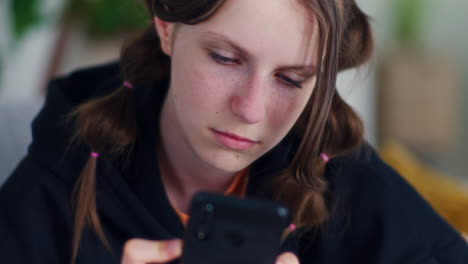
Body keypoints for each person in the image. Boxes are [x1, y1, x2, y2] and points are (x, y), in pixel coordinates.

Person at [1, 0, 467, 263]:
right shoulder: (58, 174)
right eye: (225, 58)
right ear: (166, 29)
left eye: (291, 79)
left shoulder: (339, 170)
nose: (251, 110)